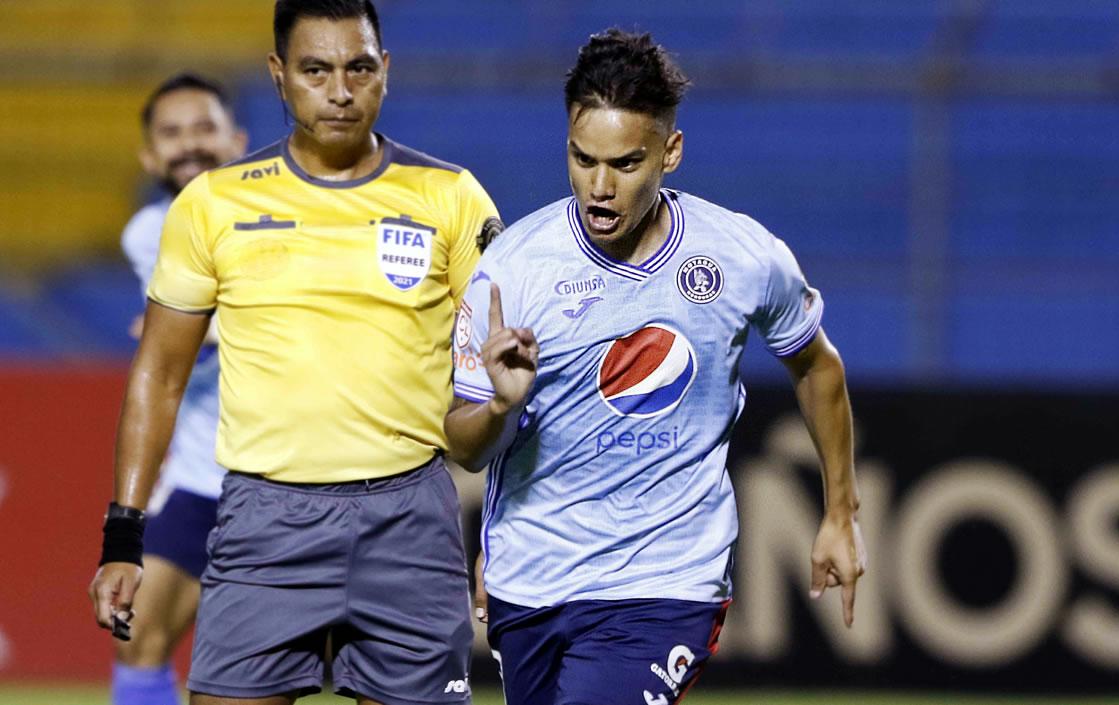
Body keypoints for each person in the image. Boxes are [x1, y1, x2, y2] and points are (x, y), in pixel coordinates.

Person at [88, 1, 502, 703]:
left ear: (385, 71)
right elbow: (158, 375)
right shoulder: (214, 204)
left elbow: (506, 376)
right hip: (261, 522)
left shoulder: (451, 197)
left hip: (410, 521)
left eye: (358, 67)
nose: (340, 90)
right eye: (315, 70)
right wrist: (124, 536)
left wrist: (504, 533)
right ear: (279, 76)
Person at [445, 29, 866, 705]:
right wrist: (498, 406)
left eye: (625, 163)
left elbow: (818, 367)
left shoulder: (740, 257)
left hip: (666, 581)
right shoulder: (512, 270)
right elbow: (463, 447)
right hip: (533, 579)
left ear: (669, 152)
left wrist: (840, 513)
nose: (600, 187)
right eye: (584, 160)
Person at [112, 72, 247, 705]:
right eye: (171, 133)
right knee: (135, 631)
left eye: (204, 128)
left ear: (237, 141)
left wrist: (185, 331)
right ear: (149, 155)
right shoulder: (148, 232)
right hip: (200, 471)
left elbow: (185, 332)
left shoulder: (285, 220)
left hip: (284, 474)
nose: (188, 144)